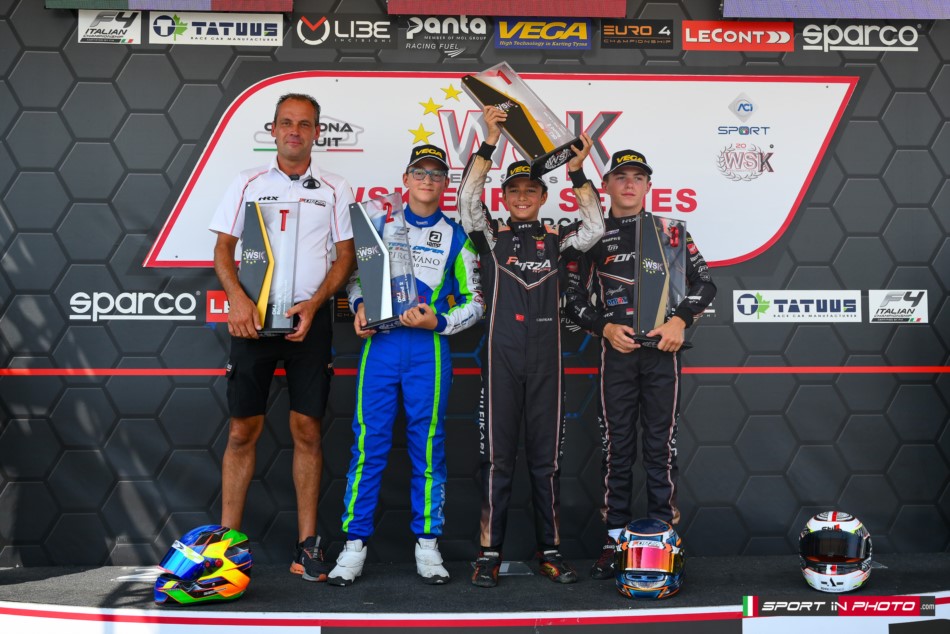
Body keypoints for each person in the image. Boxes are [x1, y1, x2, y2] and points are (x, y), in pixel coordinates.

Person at [209, 93, 356, 583]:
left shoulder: (335, 187)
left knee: (308, 432)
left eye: (305, 124)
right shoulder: (247, 182)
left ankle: (307, 546)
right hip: (252, 322)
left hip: (307, 324)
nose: (295, 131)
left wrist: (314, 305)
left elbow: (345, 257)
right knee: (241, 432)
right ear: (272, 130)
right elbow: (223, 249)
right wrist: (237, 299)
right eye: (287, 123)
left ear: (317, 132)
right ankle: (226, 547)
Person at [457, 106, 605, 588]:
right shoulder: (489, 236)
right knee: (496, 462)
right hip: (500, 362)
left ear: (543, 196)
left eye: (530, 190)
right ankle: (488, 554)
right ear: (504, 196)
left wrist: (578, 172)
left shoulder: (558, 239)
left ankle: (551, 551)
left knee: (547, 464)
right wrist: (488, 142)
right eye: (514, 190)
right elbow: (467, 202)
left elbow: (595, 229)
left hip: (547, 365)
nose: (522, 197)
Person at [329, 144, 483, 587]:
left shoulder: (457, 236)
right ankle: (354, 544)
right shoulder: (380, 224)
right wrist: (359, 306)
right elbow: (355, 279)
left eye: (436, 174)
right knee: (368, 445)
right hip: (381, 347)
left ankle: (428, 545)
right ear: (406, 179)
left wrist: (441, 322)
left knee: (428, 447)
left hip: (428, 350)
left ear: (446, 184)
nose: (427, 180)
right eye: (420, 172)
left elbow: (476, 301)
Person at [563, 149, 716, 580]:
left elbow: (705, 284)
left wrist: (680, 321)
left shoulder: (670, 232)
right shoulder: (590, 232)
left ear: (649, 185)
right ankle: (615, 540)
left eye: (637, 177)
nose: (629, 184)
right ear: (606, 185)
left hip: (662, 354)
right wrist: (604, 327)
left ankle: (664, 539)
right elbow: (571, 298)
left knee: (660, 450)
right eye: (621, 176)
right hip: (617, 353)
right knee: (617, 450)